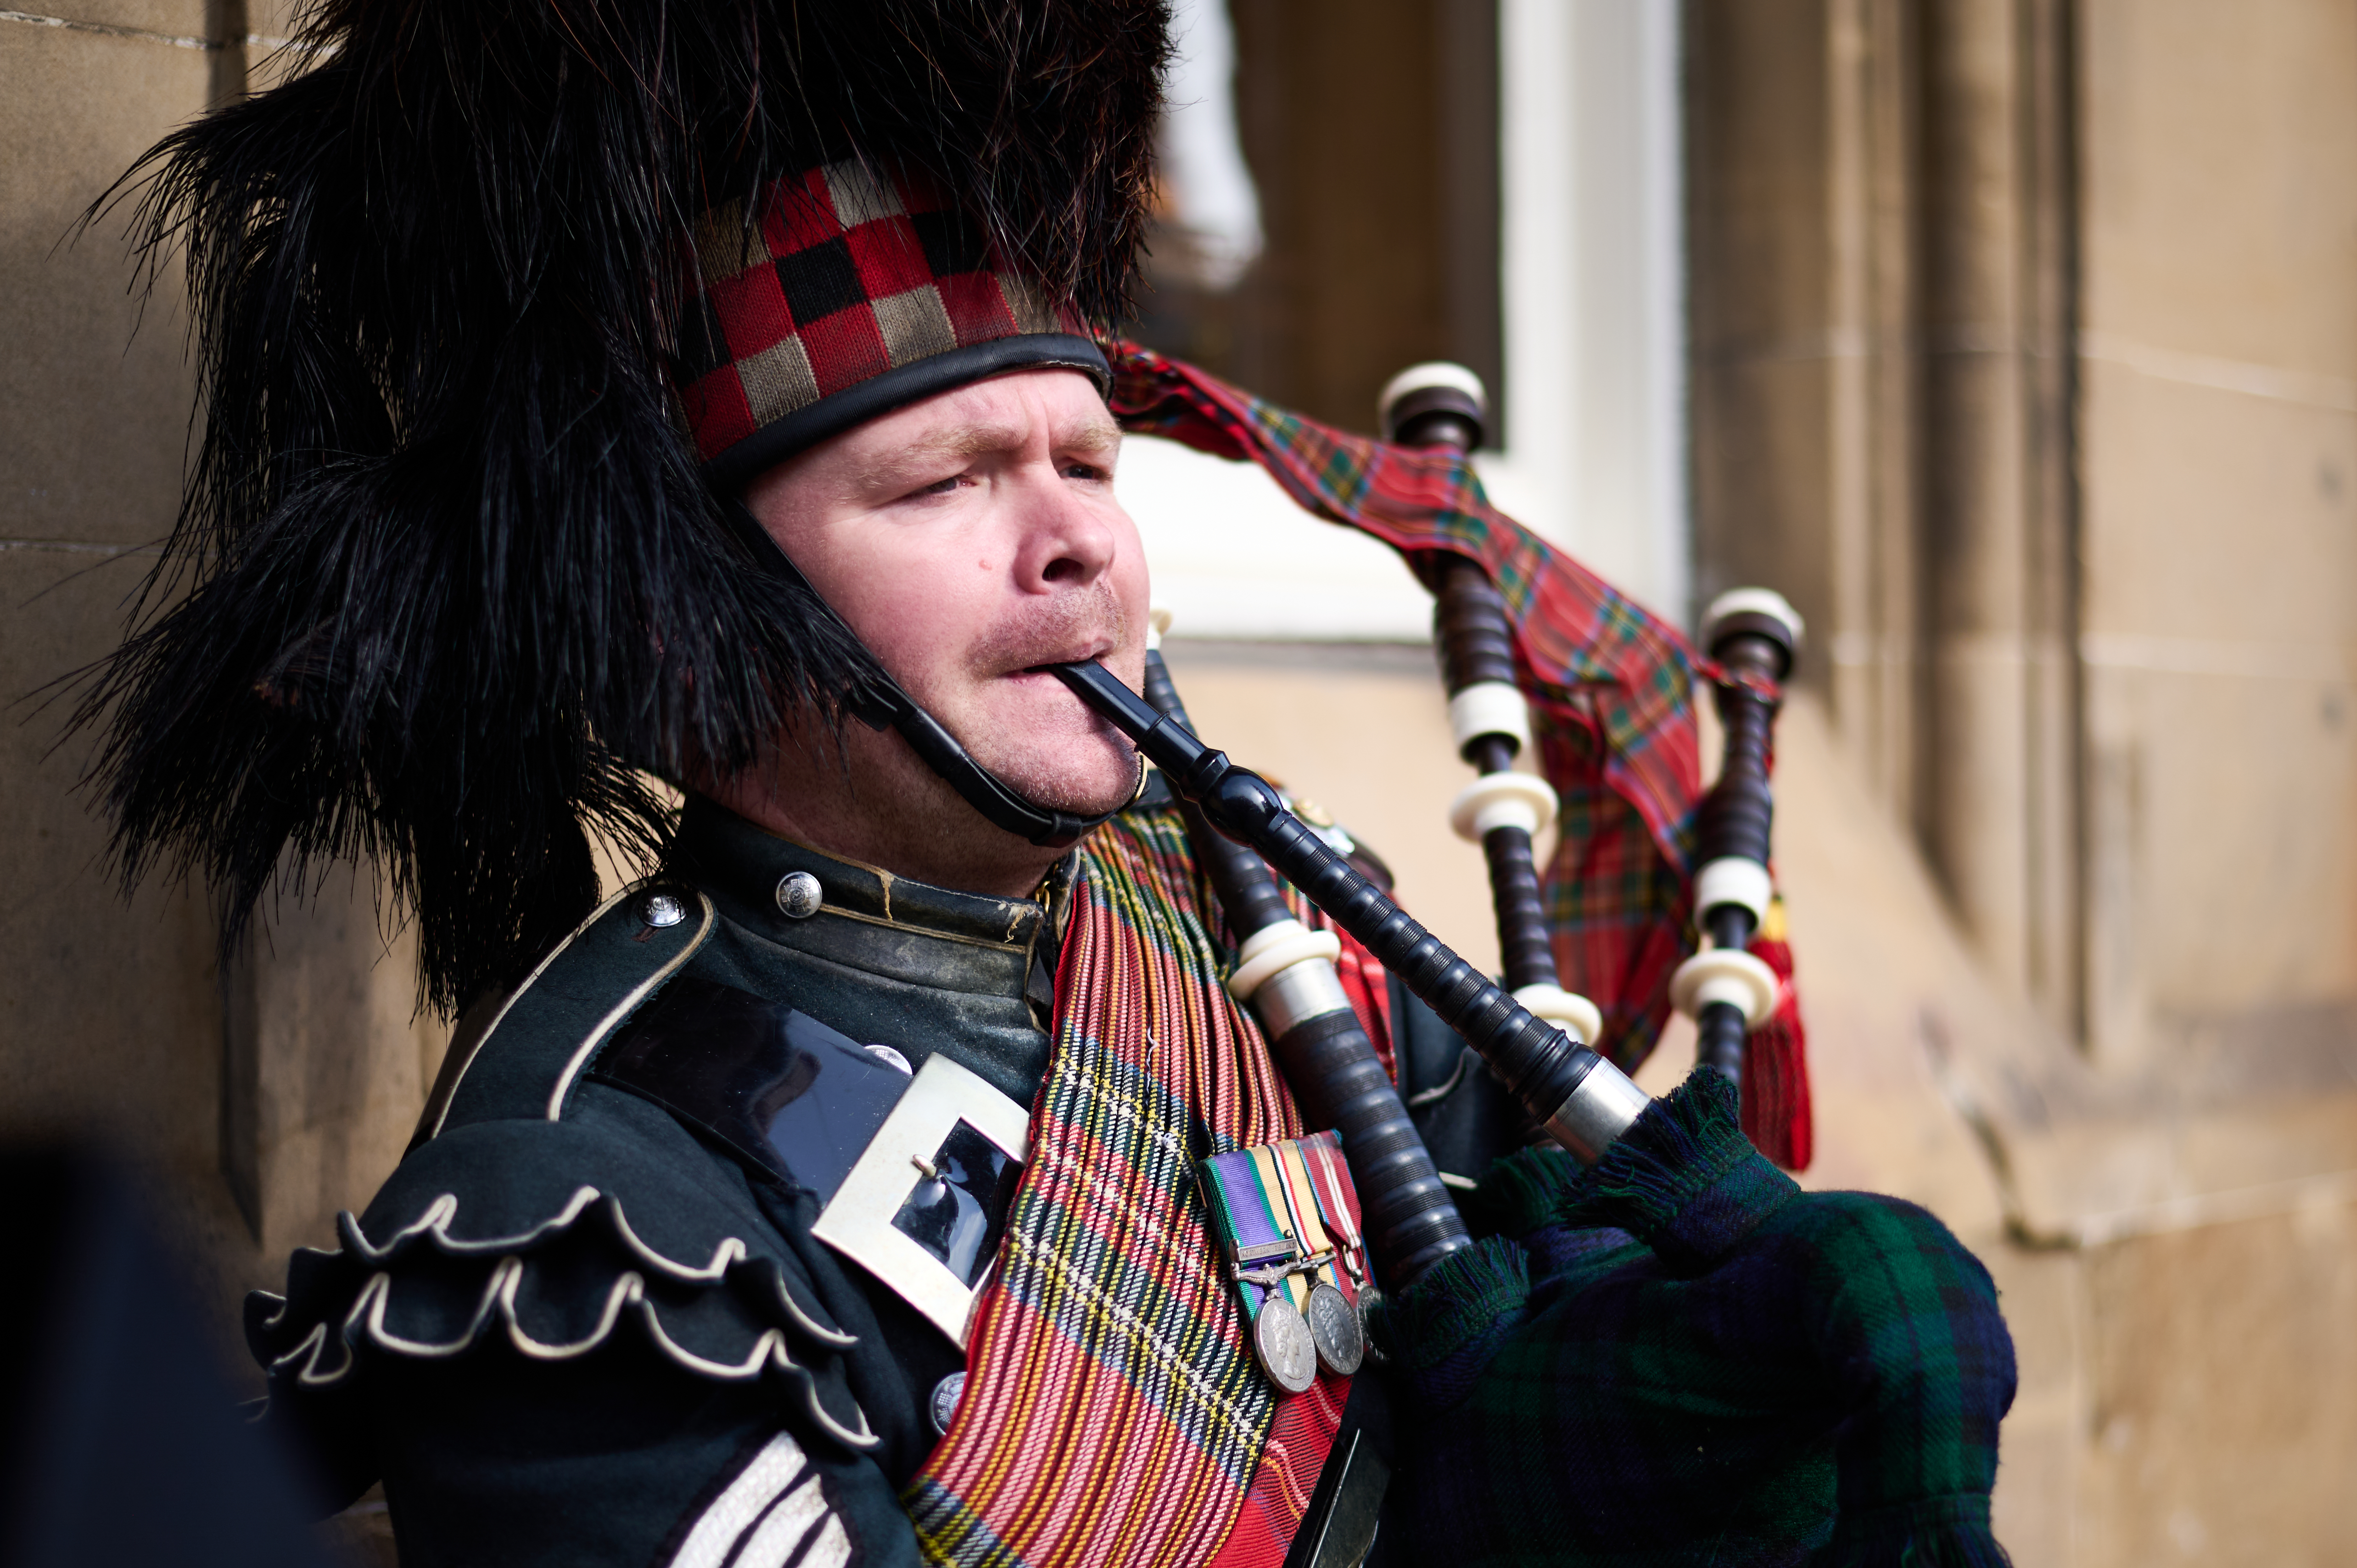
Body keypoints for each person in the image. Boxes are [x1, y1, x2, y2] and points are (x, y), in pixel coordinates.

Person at [77, 3, 2016, 1564]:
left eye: (1089, 464)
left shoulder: (1273, 939)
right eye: (943, 485)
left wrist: (1664, 1429)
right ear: (691, 616)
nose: (1078, 544)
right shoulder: (591, 1225)